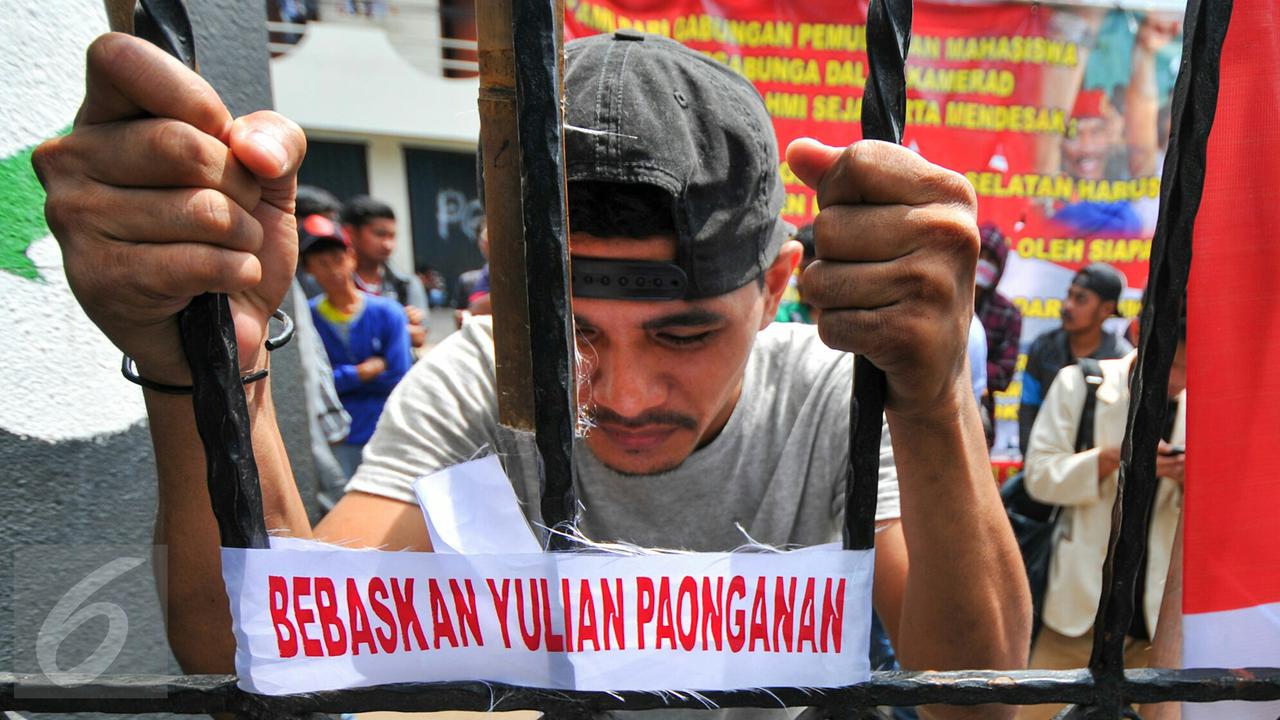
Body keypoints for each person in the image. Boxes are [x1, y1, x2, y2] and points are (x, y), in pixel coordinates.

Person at [34, 31, 1029, 719]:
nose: (623, 395)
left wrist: (931, 391)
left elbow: (976, 695)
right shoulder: (475, 377)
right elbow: (266, 653)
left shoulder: (827, 394)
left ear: (775, 289)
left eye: (683, 335)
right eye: (567, 339)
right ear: (505, 308)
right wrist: (213, 361)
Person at [1019, 321, 1186, 720]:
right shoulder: (1081, 383)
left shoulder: (1204, 403)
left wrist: (1188, 478)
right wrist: (1110, 459)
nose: (1180, 380)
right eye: (1173, 364)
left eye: (1191, 367)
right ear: (1140, 335)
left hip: (1154, 620)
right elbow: (1039, 477)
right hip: (1077, 612)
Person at [298, 213, 413, 478]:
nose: (333, 270)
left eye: (337, 258)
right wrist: (361, 372)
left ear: (351, 257)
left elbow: (398, 376)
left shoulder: (388, 312)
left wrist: (340, 378)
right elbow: (313, 384)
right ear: (308, 269)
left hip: (389, 430)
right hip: (338, 437)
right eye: (322, 262)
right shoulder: (307, 318)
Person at [1019, 263, 1133, 454]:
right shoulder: (1043, 348)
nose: (1068, 306)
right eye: (1069, 295)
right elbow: (1028, 409)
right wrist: (1033, 460)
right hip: (1045, 462)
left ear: (1106, 309)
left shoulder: (1121, 361)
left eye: (1080, 299)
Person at [341, 195, 430, 351]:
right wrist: (397, 324)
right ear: (350, 233)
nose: (388, 245)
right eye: (380, 234)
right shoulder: (333, 281)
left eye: (392, 236)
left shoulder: (407, 284)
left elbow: (419, 336)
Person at [974, 224, 1022, 396]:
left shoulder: (1008, 314)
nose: (983, 263)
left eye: (991, 259)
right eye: (979, 255)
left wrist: (961, 365)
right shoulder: (944, 300)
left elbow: (1002, 376)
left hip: (978, 402)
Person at [774, 223, 817, 324]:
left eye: (809, 270)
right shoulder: (781, 318)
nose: (799, 281)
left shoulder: (849, 321)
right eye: (800, 270)